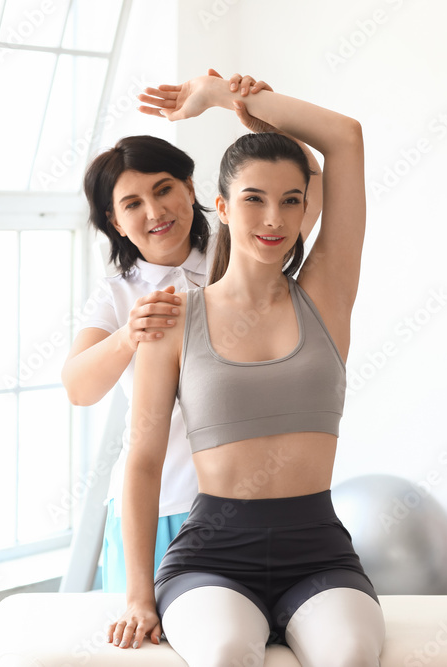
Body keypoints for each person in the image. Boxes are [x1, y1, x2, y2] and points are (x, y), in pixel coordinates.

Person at [107, 73, 385, 666]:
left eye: (291, 200)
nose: (274, 218)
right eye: (254, 198)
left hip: (319, 553)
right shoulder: (174, 318)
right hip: (212, 558)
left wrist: (225, 97)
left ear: (306, 207)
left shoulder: (327, 296)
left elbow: (346, 138)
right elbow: (144, 460)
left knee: (351, 655)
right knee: (228, 653)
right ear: (223, 208)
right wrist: (137, 596)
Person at [62, 72, 319, 593]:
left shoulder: (241, 255)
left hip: (246, 504)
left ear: (190, 189)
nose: (155, 212)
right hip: (157, 510)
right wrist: (129, 336)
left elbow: (309, 185)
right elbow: (79, 388)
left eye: (164, 190)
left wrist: (249, 106)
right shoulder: (117, 296)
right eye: (133, 204)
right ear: (115, 221)